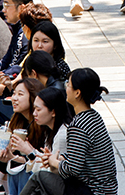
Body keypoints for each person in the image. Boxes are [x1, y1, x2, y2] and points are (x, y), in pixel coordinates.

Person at [45, 67, 117, 195]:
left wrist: (54, 161)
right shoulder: (94, 116)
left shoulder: (78, 125)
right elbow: (81, 157)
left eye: (68, 84)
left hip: (94, 190)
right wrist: (61, 158)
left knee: (39, 178)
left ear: (77, 93)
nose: (66, 87)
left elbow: (72, 170)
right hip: (107, 189)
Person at [0, 79, 46, 195]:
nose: (14, 98)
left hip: (41, 177)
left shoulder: (43, 124)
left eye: (20, 94)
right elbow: (5, 168)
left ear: (33, 97)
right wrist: (5, 158)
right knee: (16, 170)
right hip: (19, 180)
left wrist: (26, 152)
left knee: (22, 169)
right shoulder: (16, 122)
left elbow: (41, 163)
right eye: (14, 93)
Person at [18, 87, 70, 195]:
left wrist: (31, 153)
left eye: (38, 109)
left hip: (67, 186)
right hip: (59, 183)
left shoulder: (62, 135)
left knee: (35, 178)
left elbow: (52, 172)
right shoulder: (50, 131)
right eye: (34, 109)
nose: (34, 114)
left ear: (53, 112)